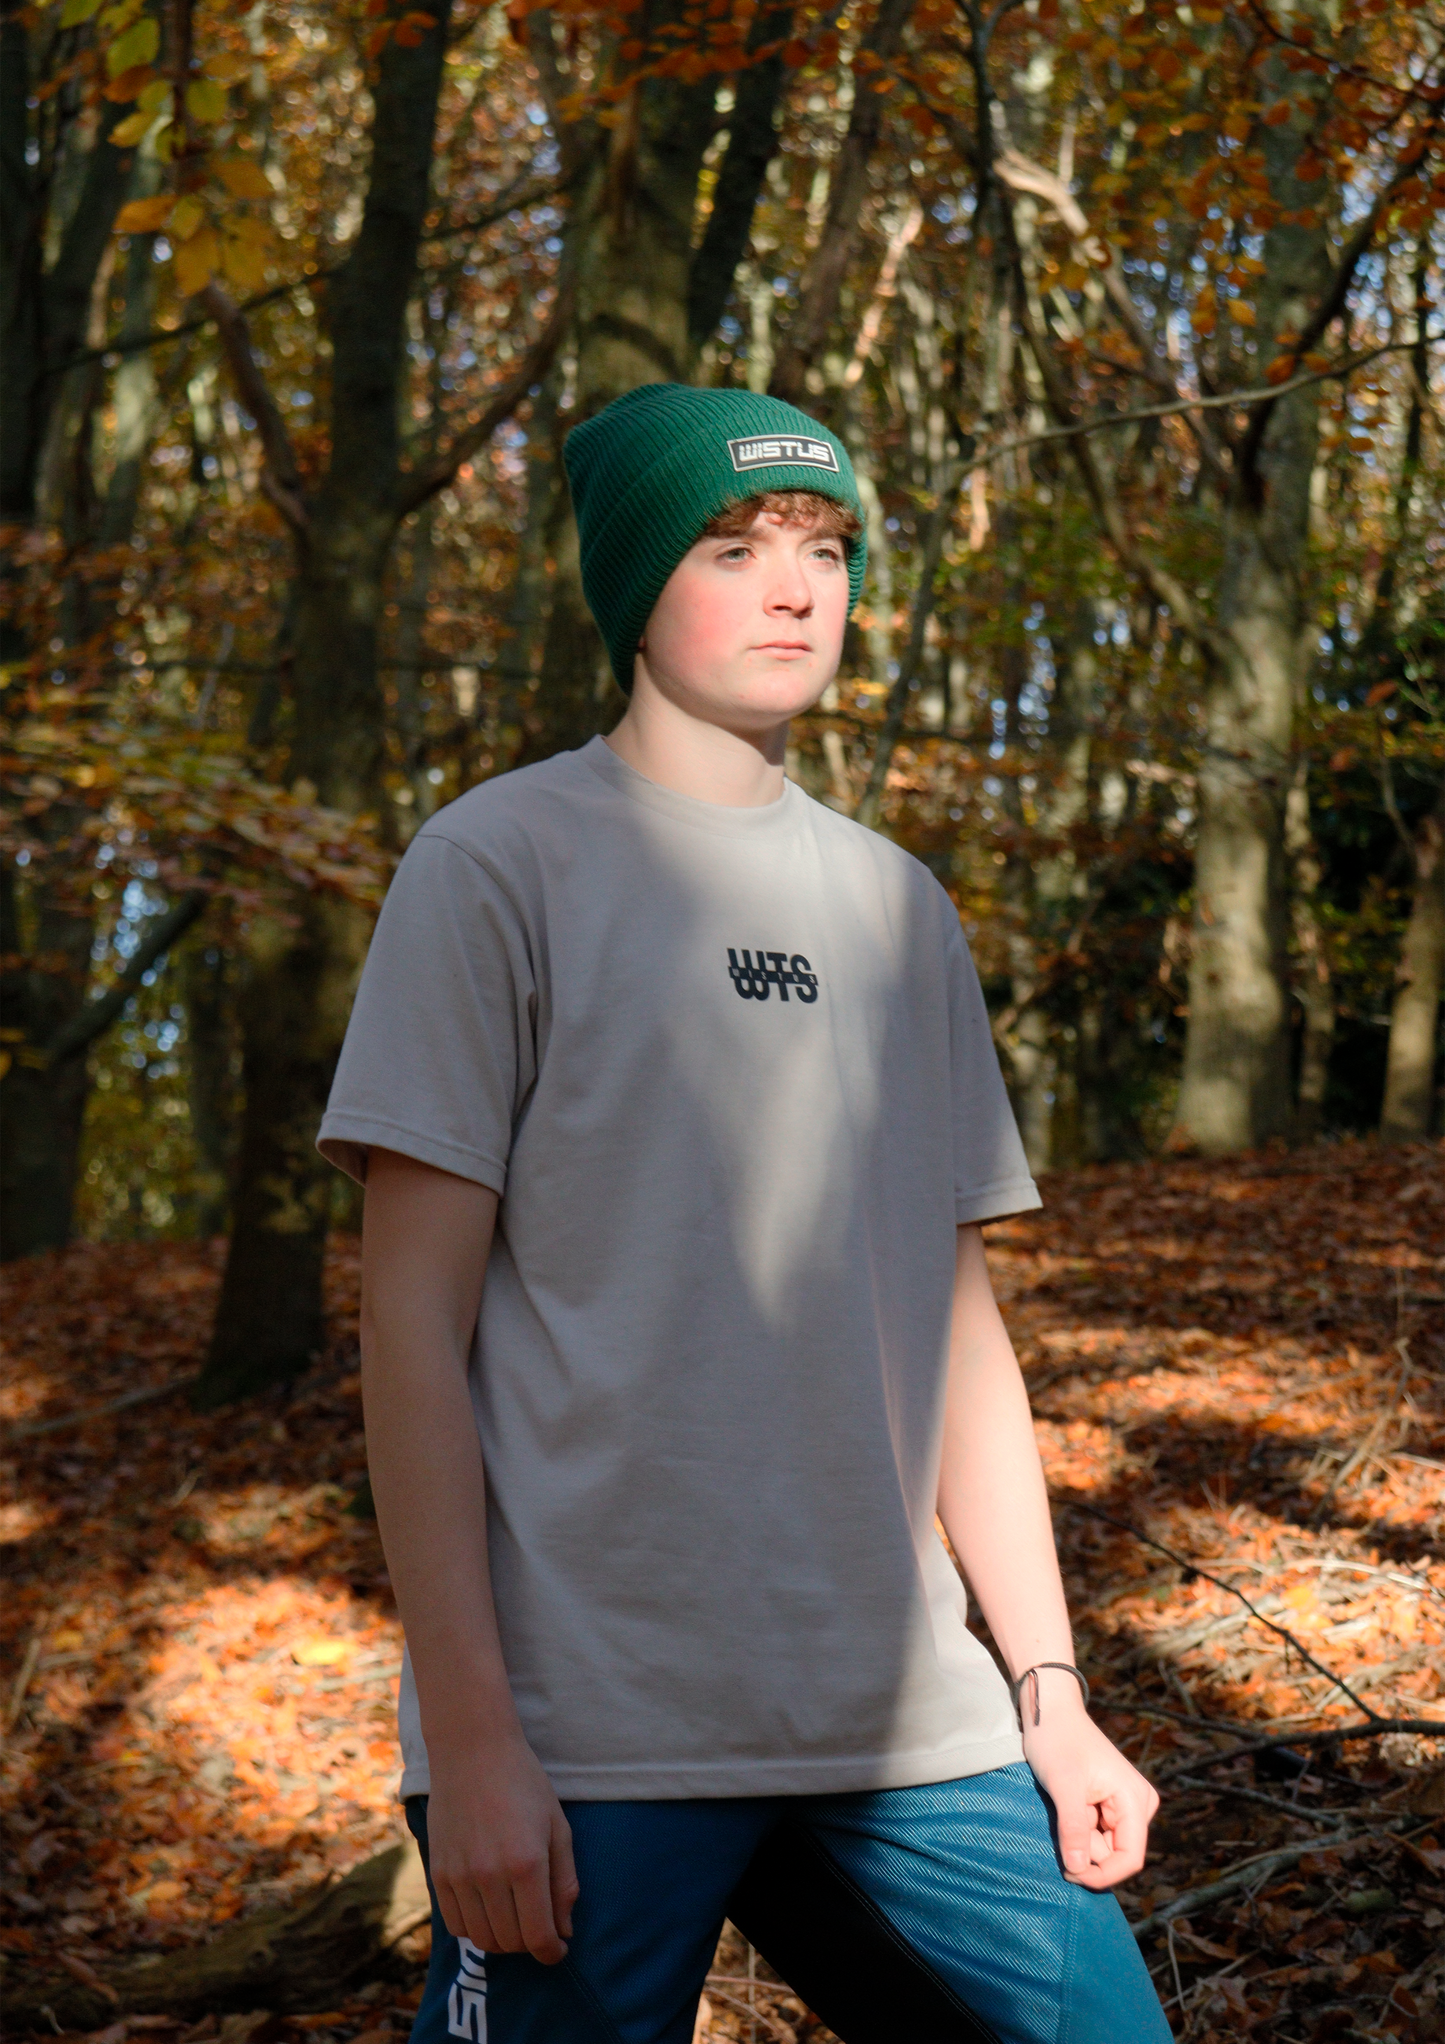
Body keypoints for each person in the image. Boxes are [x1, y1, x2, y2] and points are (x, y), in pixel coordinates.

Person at [319, 384, 1170, 2044]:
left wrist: (1051, 1695)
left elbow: (960, 1337)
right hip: (592, 1734)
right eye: (732, 548)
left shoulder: (899, 908)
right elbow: (411, 1326)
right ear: (634, 591)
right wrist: (475, 1739)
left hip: (911, 1725)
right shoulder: (496, 865)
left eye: (826, 550)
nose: (795, 589)